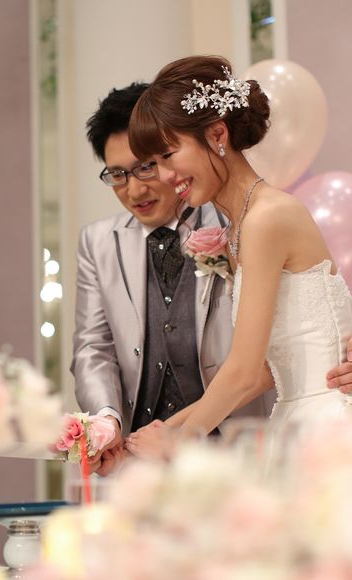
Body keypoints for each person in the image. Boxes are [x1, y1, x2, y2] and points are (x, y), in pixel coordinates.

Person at [125, 56, 352, 457]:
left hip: (328, 425)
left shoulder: (267, 218)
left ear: (217, 134)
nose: (163, 176)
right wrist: (156, 433)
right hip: (297, 423)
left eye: (169, 155)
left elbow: (244, 372)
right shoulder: (239, 229)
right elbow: (266, 371)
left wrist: (175, 444)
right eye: (153, 164)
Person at [72, 82, 276, 474]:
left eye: (146, 166)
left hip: (237, 451)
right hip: (140, 459)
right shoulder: (96, 242)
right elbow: (93, 347)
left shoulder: (238, 221)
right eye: (118, 174)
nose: (134, 189)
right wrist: (107, 420)